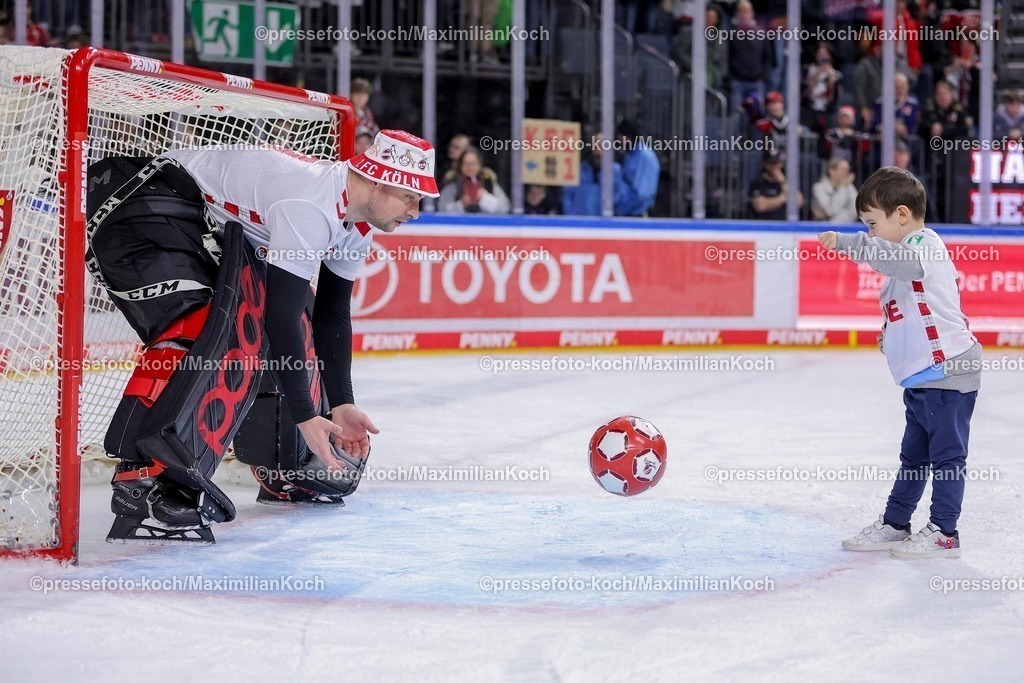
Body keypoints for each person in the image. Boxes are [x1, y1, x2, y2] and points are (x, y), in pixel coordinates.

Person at [86, 129, 438, 543]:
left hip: (193, 215)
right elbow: (279, 317)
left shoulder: (354, 223)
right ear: (378, 180)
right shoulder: (310, 204)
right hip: (137, 195)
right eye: (410, 197)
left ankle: (285, 465)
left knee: (293, 319)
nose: (416, 212)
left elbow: (330, 315)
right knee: (199, 326)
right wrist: (307, 417)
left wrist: (341, 404)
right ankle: (143, 480)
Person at [819, 166, 980, 559]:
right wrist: (891, 338)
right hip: (923, 376)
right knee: (913, 457)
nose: (871, 232)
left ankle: (945, 532)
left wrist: (851, 243)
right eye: (866, 227)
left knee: (946, 457)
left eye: (873, 224)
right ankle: (896, 523)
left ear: (902, 215)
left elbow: (898, 262)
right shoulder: (905, 261)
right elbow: (910, 310)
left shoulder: (927, 244)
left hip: (950, 371)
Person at [438, 146, 510, 213]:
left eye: (473, 163)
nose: (470, 167)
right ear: (460, 166)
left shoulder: (489, 185)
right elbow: (442, 210)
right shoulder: (452, 187)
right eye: (466, 163)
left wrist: (484, 198)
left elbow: (505, 208)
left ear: (480, 165)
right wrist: (461, 204)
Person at [561, 140, 624, 216]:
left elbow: (619, 199)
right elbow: (567, 196)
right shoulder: (578, 170)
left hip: (604, 223)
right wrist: (570, 216)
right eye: (597, 146)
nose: (599, 151)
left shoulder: (615, 172)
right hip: (577, 222)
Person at [614, 119, 659, 216]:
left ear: (629, 137)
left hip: (638, 215)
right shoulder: (631, 155)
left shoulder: (644, 156)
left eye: (621, 136)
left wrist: (620, 210)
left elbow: (642, 195)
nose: (619, 140)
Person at [748, 152, 802, 220]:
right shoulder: (758, 183)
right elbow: (760, 206)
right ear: (765, 164)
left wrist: (782, 181)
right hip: (764, 226)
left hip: (786, 226)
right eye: (771, 163)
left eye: (777, 163)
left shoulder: (787, 183)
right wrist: (784, 198)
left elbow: (798, 202)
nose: (774, 167)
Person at [811, 158, 857, 222]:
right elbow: (831, 210)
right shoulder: (818, 188)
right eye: (843, 170)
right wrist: (843, 187)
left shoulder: (849, 186)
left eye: (848, 170)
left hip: (846, 227)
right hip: (822, 228)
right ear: (831, 171)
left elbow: (856, 209)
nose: (847, 173)